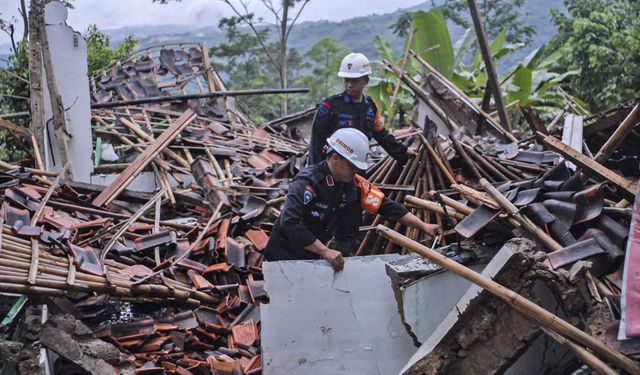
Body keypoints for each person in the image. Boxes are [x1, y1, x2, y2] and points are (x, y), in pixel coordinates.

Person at [264, 128, 439, 272]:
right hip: (283, 255)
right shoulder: (307, 182)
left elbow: (386, 206)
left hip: (311, 258)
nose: (355, 170)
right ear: (335, 158)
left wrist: (424, 226)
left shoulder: (354, 184)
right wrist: (324, 251)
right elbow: (290, 223)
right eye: (352, 165)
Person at [308, 52, 415, 166]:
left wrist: (404, 151)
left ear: (366, 81)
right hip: (332, 170)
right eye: (346, 80)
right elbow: (316, 143)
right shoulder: (329, 106)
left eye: (354, 81)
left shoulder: (371, 107)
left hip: (357, 169)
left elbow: (382, 136)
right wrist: (316, 174)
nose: (349, 85)